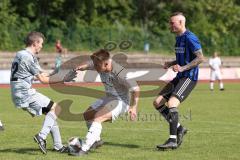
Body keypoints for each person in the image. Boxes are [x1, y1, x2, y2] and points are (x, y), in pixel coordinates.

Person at [10, 31, 76, 154]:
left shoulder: (21, 54)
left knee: (51, 114)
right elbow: (43, 80)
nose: (42, 46)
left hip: (18, 92)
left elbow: (37, 75)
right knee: (56, 109)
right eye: (41, 43)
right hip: (25, 92)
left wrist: (55, 72)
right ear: (35, 43)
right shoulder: (29, 57)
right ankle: (41, 136)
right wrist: (63, 79)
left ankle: (58, 146)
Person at [69, 49, 140, 156]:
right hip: (108, 98)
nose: (95, 68)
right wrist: (81, 68)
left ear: (106, 63)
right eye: (95, 65)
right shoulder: (100, 64)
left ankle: (84, 148)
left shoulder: (120, 72)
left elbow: (136, 89)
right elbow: (89, 65)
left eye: (97, 66)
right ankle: (96, 141)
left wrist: (133, 107)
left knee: (98, 117)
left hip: (121, 101)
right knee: (87, 115)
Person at [153, 12, 204, 150]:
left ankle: (172, 140)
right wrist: (172, 63)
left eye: (172, 22)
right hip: (180, 77)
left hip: (189, 77)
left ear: (181, 23)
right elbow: (184, 58)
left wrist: (182, 68)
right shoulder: (178, 38)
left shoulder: (190, 37)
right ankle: (180, 128)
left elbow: (200, 58)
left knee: (171, 103)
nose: (170, 25)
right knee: (157, 102)